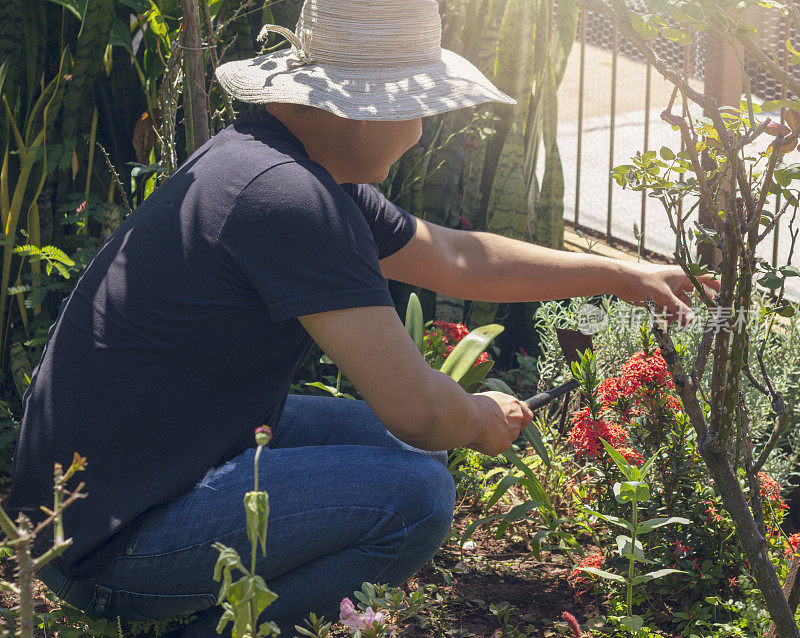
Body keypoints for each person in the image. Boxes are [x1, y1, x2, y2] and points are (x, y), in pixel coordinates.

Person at [6, 0, 720, 635]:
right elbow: (415, 407)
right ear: (363, 106)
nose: (418, 131)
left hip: (133, 479)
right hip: (106, 544)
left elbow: (459, 259)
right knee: (417, 493)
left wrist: (623, 274)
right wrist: (476, 417)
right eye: (416, 110)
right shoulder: (287, 198)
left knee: (413, 457)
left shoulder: (283, 167)